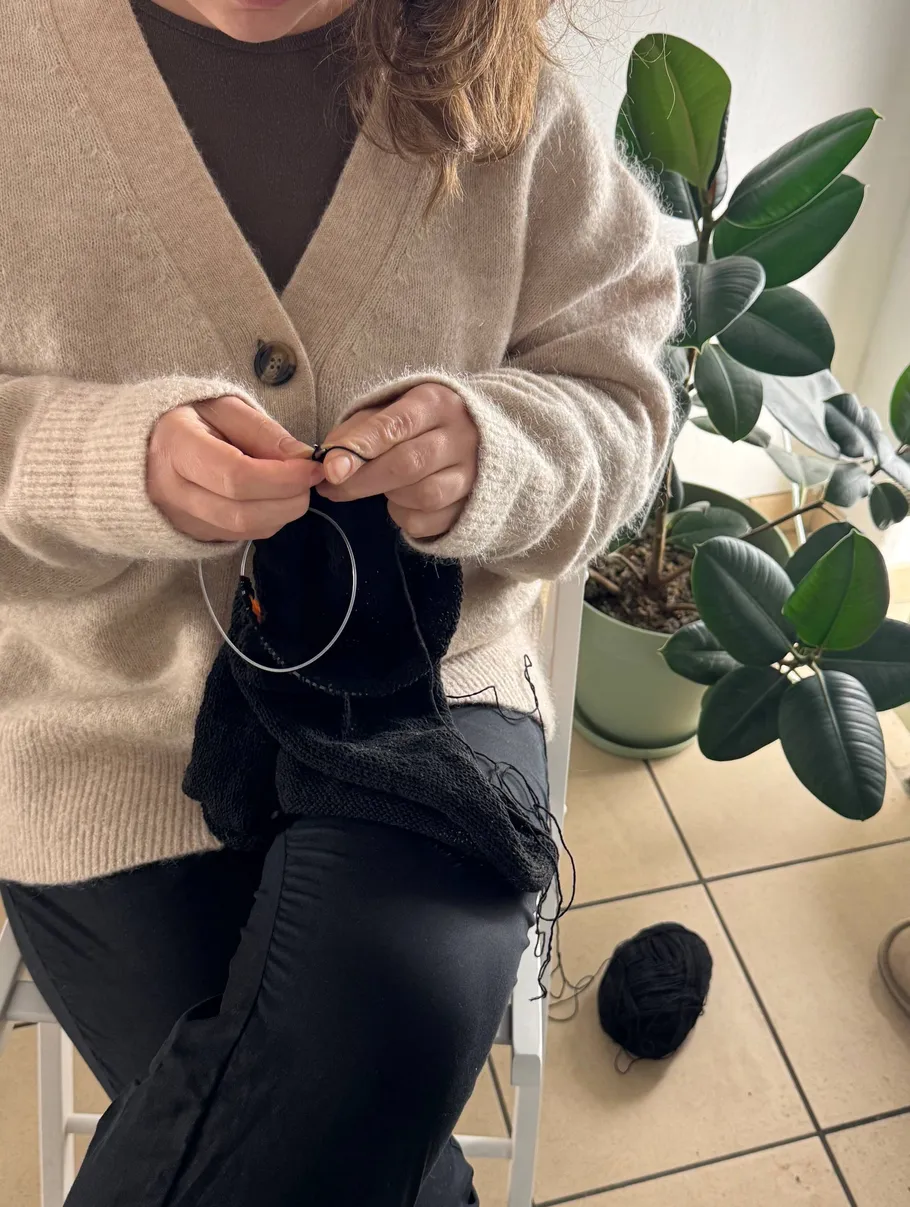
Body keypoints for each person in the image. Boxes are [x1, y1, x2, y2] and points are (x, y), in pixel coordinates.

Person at [0, 0, 679, 1202]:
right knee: (344, 1129)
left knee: (381, 1014)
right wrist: (110, 459)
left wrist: (495, 450)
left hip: (429, 686)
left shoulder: (495, 85)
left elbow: (619, 391)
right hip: (94, 716)